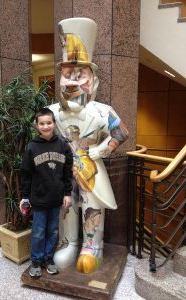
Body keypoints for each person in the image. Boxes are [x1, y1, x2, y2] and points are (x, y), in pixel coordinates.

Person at [49, 17, 129, 274]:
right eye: (67, 75)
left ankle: (92, 246)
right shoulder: (50, 113)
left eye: (79, 75)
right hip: (63, 170)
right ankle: (69, 242)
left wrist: (105, 148)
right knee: (67, 205)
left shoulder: (102, 111)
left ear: (93, 83)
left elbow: (122, 132)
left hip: (90, 169)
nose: (72, 82)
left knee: (91, 205)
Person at [19, 108, 73, 278]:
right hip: (39, 200)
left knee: (53, 231)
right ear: (37, 125)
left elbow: (67, 172)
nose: (46, 126)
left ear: (54, 124)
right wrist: (25, 197)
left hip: (57, 199)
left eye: (49, 123)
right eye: (42, 123)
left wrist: (67, 193)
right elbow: (26, 173)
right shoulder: (32, 147)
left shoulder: (63, 145)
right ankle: (36, 261)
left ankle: (48, 259)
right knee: (38, 232)